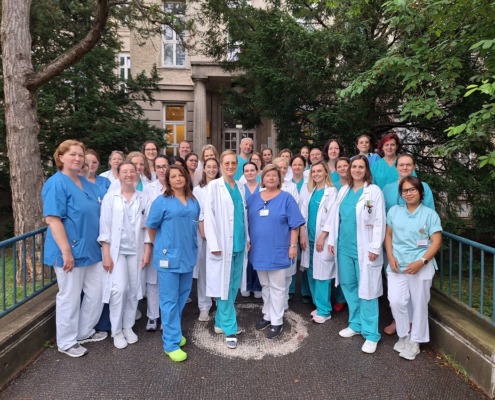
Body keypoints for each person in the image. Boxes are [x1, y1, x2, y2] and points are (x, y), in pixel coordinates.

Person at [42, 140, 107, 358]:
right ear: (60, 157)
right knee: (69, 297)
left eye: (81, 155)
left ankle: (84, 331)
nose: (78, 158)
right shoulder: (56, 183)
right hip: (69, 252)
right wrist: (66, 252)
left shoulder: (86, 183)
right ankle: (67, 341)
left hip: (92, 250)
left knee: (96, 294)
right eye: (73, 154)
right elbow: (53, 219)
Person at [326, 155, 385, 354]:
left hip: (365, 249)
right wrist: (332, 241)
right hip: (344, 248)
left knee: (367, 290)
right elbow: (336, 218)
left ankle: (371, 334)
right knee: (349, 286)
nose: (357, 170)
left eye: (361, 167)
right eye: (354, 167)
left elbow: (379, 221)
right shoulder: (344, 190)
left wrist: (375, 247)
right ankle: (356, 324)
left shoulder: (373, 191)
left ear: (366, 170)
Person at [385, 176, 442, 360]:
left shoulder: (429, 214)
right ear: (401, 194)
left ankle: (415, 341)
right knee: (396, 301)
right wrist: (390, 256)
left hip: (421, 266)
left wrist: (422, 261)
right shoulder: (394, 211)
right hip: (397, 265)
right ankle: (404, 334)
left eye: (412, 190)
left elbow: (436, 241)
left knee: (418, 305)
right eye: (405, 190)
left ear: (420, 192)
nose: (408, 193)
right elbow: (388, 235)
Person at [146, 165, 200, 362]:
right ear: (168, 181)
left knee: (181, 297)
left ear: (186, 177)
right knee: (168, 302)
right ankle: (170, 343)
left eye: (180, 175)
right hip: (168, 258)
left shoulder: (193, 200)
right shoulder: (161, 202)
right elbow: (151, 227)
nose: (178, 179)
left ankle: (175, 333)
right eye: (173, 176)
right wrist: (161, 245)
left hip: (187, 255)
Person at [248, 164, 305, 338]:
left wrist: (293, 246)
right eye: (267, 176)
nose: (271, 178)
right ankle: (267, 314)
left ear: (279, 179)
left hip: (279, 250)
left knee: (278, 287)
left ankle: (277, 321)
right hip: (259, 250)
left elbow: (295, 225)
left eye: (274, 176)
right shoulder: (254, 198)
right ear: (262, 179)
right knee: (265, 285)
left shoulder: (286, 198)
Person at [98, 161, 150, 349]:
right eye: (124, 171)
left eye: (132, 171)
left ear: (136, 173)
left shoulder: (143, 198)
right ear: (118, 175)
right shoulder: (111, 198)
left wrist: (147, 250)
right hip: (116, 251)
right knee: (119, 290)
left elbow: (146, 227)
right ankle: (116, 330)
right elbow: (104, 227)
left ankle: (128, 326)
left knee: (133, 289)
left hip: (135, 250)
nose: (129, 174)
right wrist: (106, 253)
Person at [204, 150, 249, 349]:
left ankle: (220, 323)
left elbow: (243, 215)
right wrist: (214, 244)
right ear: (221, 165)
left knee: (232, 286)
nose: (231, 166)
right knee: (223, 286)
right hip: (222, 245)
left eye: (233, 163)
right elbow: (208, 216)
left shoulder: (241, 186)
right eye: (227, 163)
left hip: (239, 243)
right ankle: (230, 328)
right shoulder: (214, 186)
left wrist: (247, 238)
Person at [299, 161, 337, 323]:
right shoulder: (312, 191)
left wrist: (323, 236)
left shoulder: (331, 191)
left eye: (319, 171)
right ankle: (318, 304)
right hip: (310, 239)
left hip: (322, 239)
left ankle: (325, 310)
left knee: (322, 276)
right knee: (311, 272)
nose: (316, 174)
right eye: (313, 172)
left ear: (325, 172)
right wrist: (302, 235)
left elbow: (332, 216)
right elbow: (304, 216)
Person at [142, 155, 170, 331]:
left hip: (171, 239)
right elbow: (146, 218)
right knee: (153, 281)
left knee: (168, 282)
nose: (161, 169)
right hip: (153, 240)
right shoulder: (148, 189)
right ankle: (152, 316)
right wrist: (150, 243)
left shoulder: (175, 187)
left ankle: (167, 318)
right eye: (158, 166)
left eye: (165, 166)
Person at [192, 157, 221, 322]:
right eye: (208, 167)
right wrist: (203, 231)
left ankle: (219, 302)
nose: (211, 169)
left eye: (214, 167)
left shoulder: (221, 187)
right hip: (203, 236)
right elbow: (198, 213)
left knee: (218, 271)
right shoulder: (198, 190)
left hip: (220, 234)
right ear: (204, 169)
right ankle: (204, 306)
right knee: (203, 272)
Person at [240, 162, 262, 299]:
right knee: (246, 258)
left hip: (260, 227)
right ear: (243, 173)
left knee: (258, 256)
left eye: (252, 170)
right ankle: (247, 285)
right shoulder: (240, 188)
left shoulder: (263, 188)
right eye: (246, 171)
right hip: (244, 227)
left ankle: (258, 286)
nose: (249, 173)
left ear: (257, 171)